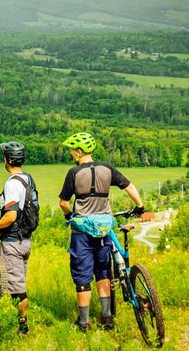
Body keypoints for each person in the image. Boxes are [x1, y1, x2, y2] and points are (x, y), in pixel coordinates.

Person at [57, 132, 145, 332]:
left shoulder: (74, 173)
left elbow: (63, 203)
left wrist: (69, 216)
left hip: (82, 233)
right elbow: (129, 186)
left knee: (82, 274)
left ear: (79, 152)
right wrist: (140, 206)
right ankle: (107, 317)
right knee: (103, 271)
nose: (71, 154)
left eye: (72, 151)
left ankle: (84, 322)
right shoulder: (108, 169)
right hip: (104, 230)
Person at [0, 141, 34, 335]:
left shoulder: (12, 184)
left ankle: (22, 327)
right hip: (25, 240)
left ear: (6, 160)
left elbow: (11, 216)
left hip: (12, 242)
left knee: (17, 289)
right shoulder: (28, 179)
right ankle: (13, 318)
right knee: (17, 281)